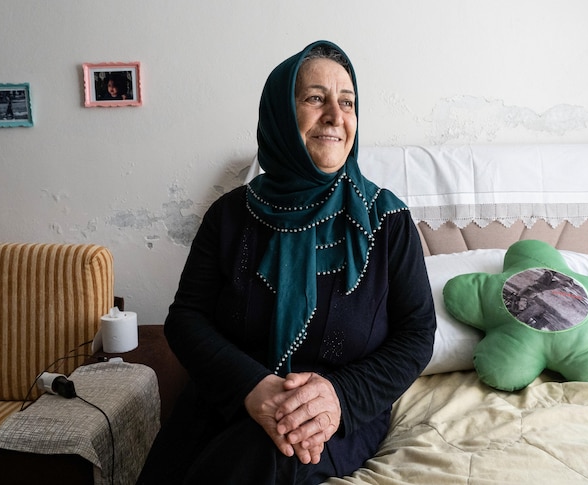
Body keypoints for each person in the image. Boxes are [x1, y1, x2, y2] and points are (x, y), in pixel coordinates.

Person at [136, 40, 436, 485]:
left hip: (336, 416)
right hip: (230, 397)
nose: (336, 115)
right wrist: (251, 388)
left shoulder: (387, 221)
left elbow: (416, 334)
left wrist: (338, 397)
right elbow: (186, 318)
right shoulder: (231, 215)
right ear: (280, 112)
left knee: (267, 454)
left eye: (348, 102)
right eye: (316, 98)